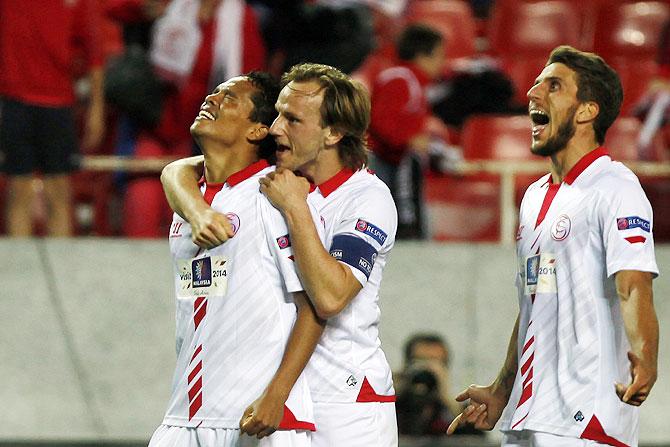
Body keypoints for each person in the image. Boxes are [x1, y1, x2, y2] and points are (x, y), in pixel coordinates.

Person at [161, 62, 399, 446]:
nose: (275, 129)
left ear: (333, 133)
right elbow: (181, 169)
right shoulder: (278, 181)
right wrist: (197, 208)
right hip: (281, 396)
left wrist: (296, 208)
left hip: (344, 398)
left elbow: (330, 297)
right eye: (276, 115)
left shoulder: (366, 198)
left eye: (292, 119)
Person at [447, 46, 659, 447]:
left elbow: (633, 286)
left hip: (585, 419)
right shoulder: (533, 198)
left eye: (554, 85)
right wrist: (501, 389)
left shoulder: (616, 188)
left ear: (586, 111)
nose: (532, 92)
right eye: (537, 81)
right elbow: (534, 305)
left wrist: (646, 357)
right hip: (530, 415)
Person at [149, 72, 326, 446]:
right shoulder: (189, 201)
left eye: (229, 98)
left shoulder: (275, 196)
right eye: (212, 92)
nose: (211, 100)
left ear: (259, 130)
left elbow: (314, 306)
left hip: (258, 419)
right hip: (184, 417)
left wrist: (277, 396)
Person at [0, 0, 106, 236]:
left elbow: (94, 50)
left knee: (58, 190)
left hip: (58, 104)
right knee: (19, 189)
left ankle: (62, 269)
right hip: (14, 100)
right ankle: (20, 269)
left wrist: (96, 108)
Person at [367, 24, 452, 239]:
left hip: (391, 160)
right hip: (380, 161)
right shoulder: (400, 79)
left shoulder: (410, 81)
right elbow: (379, 121)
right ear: (423, 55)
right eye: (440, 55)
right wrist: (409, 141)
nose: (443, 63)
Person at [396, 333, 481, 436]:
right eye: (420, 361)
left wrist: (449, 402)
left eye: (436, 362)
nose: (427, 368)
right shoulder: (393, 407)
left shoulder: (455, 410)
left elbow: (476, 440)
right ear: (406, 366)